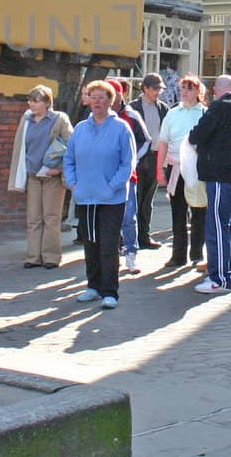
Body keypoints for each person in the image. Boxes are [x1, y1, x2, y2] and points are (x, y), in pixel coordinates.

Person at [63, 80, 135, 309]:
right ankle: (92, 286)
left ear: (110, 101)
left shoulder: (121, 128)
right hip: (86, 197)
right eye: (92, 96)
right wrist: (73, 183)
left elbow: (128, 163)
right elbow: (69, 159)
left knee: (108, 244)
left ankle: (110, 291)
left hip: (111, 199)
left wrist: (112, 185)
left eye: (101, 97)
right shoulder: (81, 129)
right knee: (90, 243)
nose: (96, 101)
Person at [188, 75, 231, 294]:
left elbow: (197, 134)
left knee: (215, 228)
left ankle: (220, 279)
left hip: (221, 176)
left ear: (216, 90)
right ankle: (228, 274)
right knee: (227, 227)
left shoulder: (219, 107)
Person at [9, 85, 72, 270]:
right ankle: (33, 256)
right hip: (33, 175)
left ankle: (51, 257)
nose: (32, 104)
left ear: (47, 102)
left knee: (51, 217)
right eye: (30, 100)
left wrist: (59, 169)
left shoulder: (59, 119)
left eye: (36, 101)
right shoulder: (27, 119)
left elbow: (72, 145)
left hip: (52, 176)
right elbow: (20, 147)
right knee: (34, 218)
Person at [155, 75, 207, 268]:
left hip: (197, 169)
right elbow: (163, 142)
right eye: (183, 88)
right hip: (175, 168)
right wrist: (160, 168)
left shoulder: (205, 113)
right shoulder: (172, 114)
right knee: (178, 212)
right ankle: (178, 255)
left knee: (199, 211)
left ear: (198, 92)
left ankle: (196, 253)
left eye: (189, 88)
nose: (184, 91)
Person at [107, 78, 150, 275]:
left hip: (127, 176)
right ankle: (109, 256)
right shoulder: (96, 116)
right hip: (103, 175)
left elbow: (146, 140)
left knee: (128, 216)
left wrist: (133, 160)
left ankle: (131, 254)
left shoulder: (131, 115)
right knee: (106, 217)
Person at [128, 73, 169, 250]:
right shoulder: (133, 108)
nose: (157, 92)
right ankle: (131, 237)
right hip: (138, 157)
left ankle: (144, 235)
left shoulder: (163, 108)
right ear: (145, 88)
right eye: (154, 89)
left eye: (159, 89)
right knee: (134, 199)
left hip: (155, 156)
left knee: (147, 199)